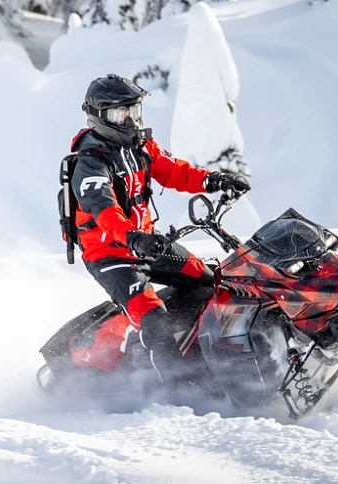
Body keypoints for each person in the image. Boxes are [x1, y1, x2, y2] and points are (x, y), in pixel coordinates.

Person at [66, 74, 250, 385]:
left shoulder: (139, 146)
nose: (130, 120)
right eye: (120, 113)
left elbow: (175, 171)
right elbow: (105, 212)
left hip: (148, 244)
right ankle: (175, 391)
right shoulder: (90, 165)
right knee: (155, 321)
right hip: (111, 256)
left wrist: (214, 180)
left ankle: (206, 351)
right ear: (99, 117)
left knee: (209, 283)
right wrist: (133, 238)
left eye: (134, 111)